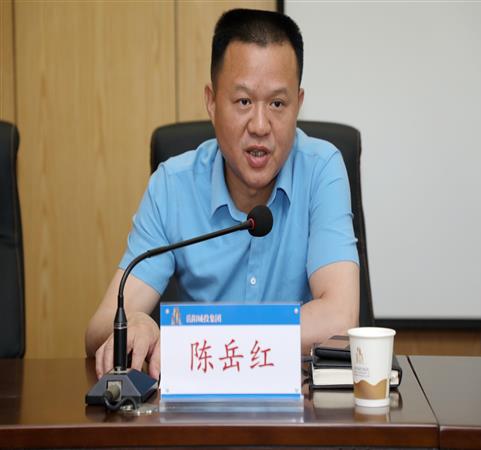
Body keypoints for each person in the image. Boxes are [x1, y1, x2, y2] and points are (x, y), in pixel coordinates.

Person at [85, 8, 359, 380]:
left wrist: (206, 340)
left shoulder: (321, 168)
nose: (260, 125)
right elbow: (99, 327)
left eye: (278, 104)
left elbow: (340, 317)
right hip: (198, 406)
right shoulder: (173, 185)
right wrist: (135, 323)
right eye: (243, 101)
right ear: (212, 102)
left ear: (298, 103)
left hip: (297, 402)